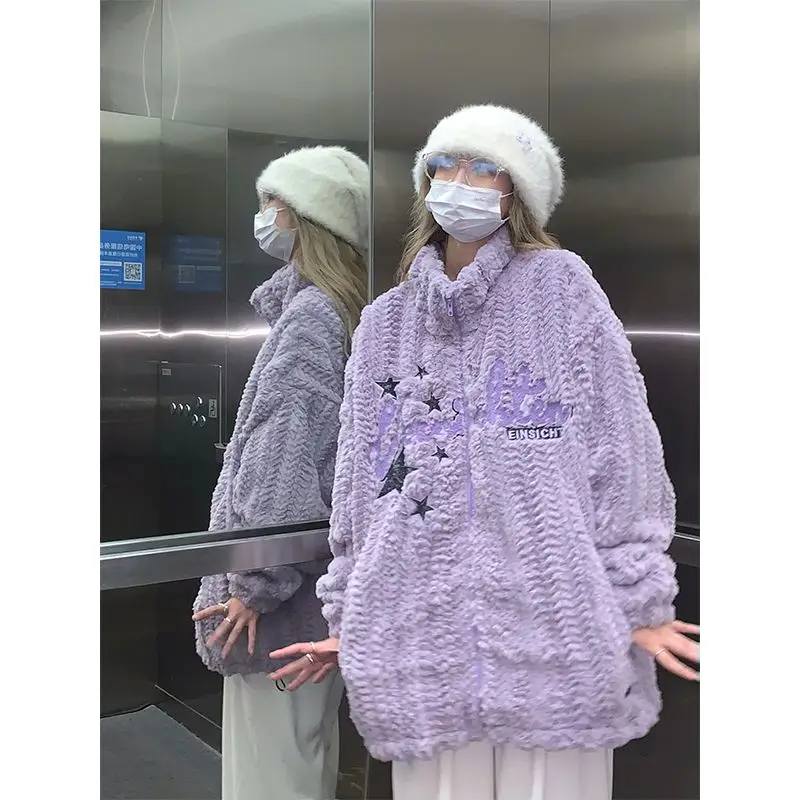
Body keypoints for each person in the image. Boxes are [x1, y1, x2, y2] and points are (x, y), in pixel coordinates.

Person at [269, 106, 700, 800]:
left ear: (515, 191)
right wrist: (353, 612)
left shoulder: (562, 293)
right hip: (416, 641)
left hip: (556, 635)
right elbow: (358, 492)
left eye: (483, 168)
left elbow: (623, 457)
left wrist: (637, 598)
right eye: (445, 165)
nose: (459, 181)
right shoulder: (385, 325)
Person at [191, 145, 369, 800]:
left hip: (277, 603)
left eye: (275, 204)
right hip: (314, 592)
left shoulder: (311, 319)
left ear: (309, 218)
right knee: (304, 753)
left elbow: (284, 461)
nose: (264, 215)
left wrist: (254, 582)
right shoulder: (343, 309)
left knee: (269, 771)